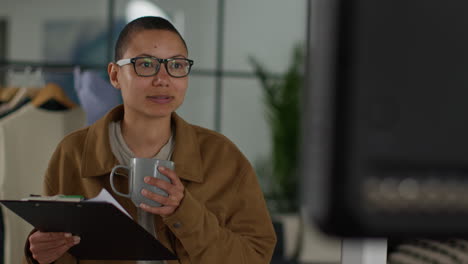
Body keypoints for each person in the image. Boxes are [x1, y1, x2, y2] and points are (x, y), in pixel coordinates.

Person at [24, 16, 276, 264]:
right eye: (145, 64)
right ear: (114, 75)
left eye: (176, 66)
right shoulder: (74, 153)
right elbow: (57, 246)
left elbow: (255, 256)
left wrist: (184, 211)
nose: (162, 79)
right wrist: (40, 256)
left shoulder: (222, 157)